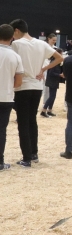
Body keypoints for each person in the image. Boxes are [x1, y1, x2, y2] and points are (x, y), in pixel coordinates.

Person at [10, 19, 63, 167]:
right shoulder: (41, 43)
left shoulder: (16, 44)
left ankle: (26, 158)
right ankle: (34, 153)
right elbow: (59, 58)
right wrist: (44, 69)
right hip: (37, 86)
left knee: (23, 122)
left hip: (22, 86)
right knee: (32, 120)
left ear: (16, 31)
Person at [0, 24, 24, 171]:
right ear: (12, 38)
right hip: (6, 97)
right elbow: (19, 82)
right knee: (1, 130)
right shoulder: (15, 56)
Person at [40, 48, 64, 118]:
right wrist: (60, 75)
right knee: (51, 96)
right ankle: (44, 110)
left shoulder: (56, 62)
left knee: (53, 96)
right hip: (52, 81)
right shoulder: (54, 62)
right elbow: (51, 73)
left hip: (54, 81)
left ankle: (49, 110)